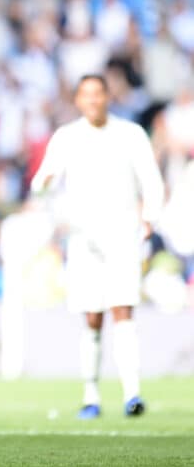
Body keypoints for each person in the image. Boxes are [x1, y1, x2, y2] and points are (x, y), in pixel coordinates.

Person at [31, 74, 165, 419]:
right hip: (84, 238)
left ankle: (132, 394)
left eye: (98, 94)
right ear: (77, 100)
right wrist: (44, 184)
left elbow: (151, 180)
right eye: (86, 95)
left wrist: (150, 216)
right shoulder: (67, 137)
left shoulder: (130, 134)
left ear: (108, 97)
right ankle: (91, 395)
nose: (92, 100)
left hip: (122, 234)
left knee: (123, 310)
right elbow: (42, 181)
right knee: (91, 316)